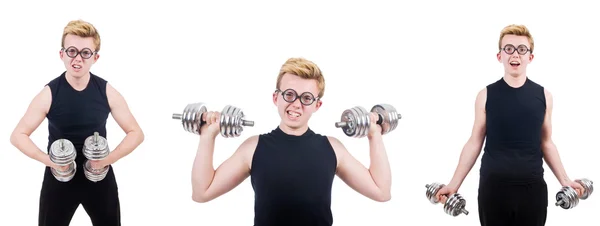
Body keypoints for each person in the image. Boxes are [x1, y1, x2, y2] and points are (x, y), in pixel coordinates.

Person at [190, 57, 392, 226]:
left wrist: (374, 135)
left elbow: (381, 192)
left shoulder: (333, 148)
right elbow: (202, 192)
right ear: (275, 98)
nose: (296, 104)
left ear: (317, 105)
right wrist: (208, 136)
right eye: (289, 94)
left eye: (306, 98)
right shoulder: (253, 147)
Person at [434, 24, 586, 226]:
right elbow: (474, 142)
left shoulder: (544, 96)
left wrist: (565, 180)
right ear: (500, 56)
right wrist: (454, 184)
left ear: (530, 57)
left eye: (522, 49)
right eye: (509, 49)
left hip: (532, 190)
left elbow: (547, 142)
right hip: (493, 188)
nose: (515, 54)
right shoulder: (485, 95)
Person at [9, 19, 145, 226]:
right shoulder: (48, 94)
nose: (77, 58)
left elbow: (136, 132)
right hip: (59, 177)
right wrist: (48, 161)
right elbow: (18, 135)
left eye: (85, 52)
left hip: (99, 176)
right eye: (72, 51)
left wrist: (108, 160)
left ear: (95, 57)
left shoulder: (107, 91)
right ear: (62, 54)